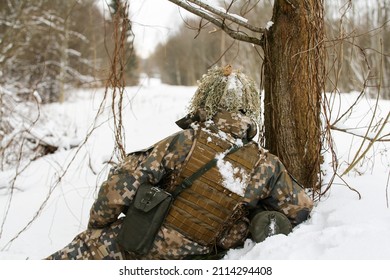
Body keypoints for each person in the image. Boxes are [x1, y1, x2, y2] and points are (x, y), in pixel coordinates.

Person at [46, 65, 313, 260]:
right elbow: (300, 209)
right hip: (206, 256)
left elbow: (118, 189)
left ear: (207, 99)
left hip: (146, 244)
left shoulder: (185, 142)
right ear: (251, 107)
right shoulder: (267, 165)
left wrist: (98, 225)